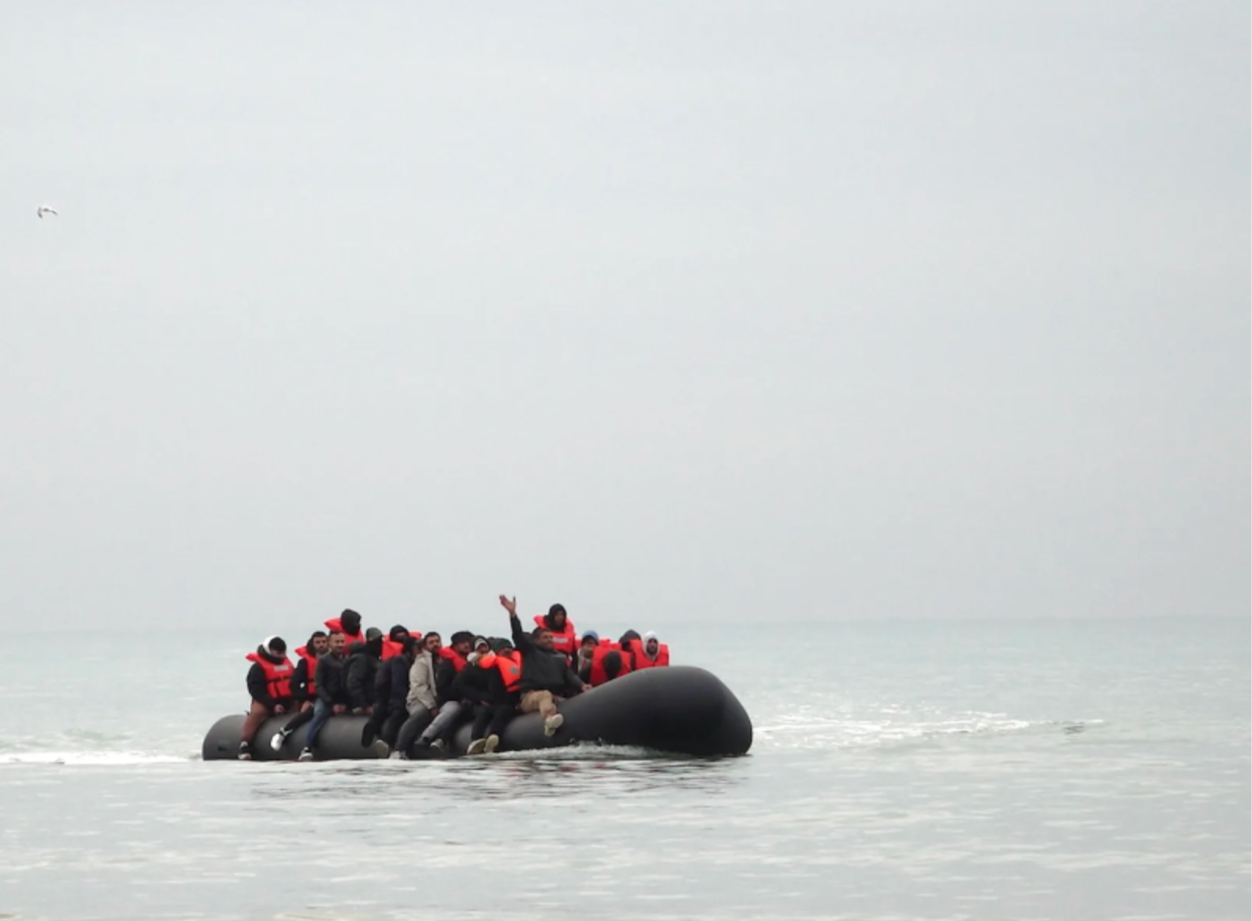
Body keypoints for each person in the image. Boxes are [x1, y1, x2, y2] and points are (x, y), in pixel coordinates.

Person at [501, 595, 589, 736]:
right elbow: (518, 635)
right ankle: (549, 721)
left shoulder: (559, 657)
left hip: (554, 696)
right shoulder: (530, 652)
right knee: (544, 695)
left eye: (550, 637)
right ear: (536, 640)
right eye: (545, 638)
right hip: (530, 697)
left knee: (568, 703)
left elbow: (569, 675)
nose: (549, 640)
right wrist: (512, 614)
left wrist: (582, 685)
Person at [414, 631, 476, 751]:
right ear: (455, 646)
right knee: (454, 710)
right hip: (449, 700)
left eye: (468, 642)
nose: (466, 645)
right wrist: (460, 698)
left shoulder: (473, 662)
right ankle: (426, 737)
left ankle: (442, 740)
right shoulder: (448, 664)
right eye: (462, 643)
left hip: (471, 699)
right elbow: (442, 688)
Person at [269, 630, 328, 751]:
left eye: (324, 642)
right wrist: (304, 698)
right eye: (318, 642)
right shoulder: (305, 663)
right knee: (309, 713)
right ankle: (284, 732)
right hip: (312, 697)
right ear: (312, 644)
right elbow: (294, 684)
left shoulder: (335, 659)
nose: (321, 645)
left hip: (331, 696)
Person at [239, 636, 295, 760]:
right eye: (278, 653)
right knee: (258, 712)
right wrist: (272, 705)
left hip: (288, 700)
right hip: (266, 701)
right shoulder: (258, 668)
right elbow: (256, 690)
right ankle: (245, 743)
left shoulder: (288, 665)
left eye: (283, 653)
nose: (281, 655)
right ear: (270, 651)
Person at [465, 638, 524, 755]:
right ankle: (480, 739)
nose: (507, 650)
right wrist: (480, 698)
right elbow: (494, 689)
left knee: (504, 710)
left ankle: (493, 736)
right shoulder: (485, 667)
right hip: (492, 701)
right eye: (503, 648)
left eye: (509, 648)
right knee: (490, 712)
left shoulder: (521, 664)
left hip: (515, 699)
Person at [298, 630, 350, 761]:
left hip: (344, 699)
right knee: (319, 715)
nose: (340, 645)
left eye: (342, 641)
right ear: (330, 643)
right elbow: (318, 685)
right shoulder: (324, 661)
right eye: (337, 642)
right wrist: (331, 704)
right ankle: (307, 747)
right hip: (327, 699)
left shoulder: (348, 660)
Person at [364, 633, 417, 756]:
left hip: (397, 696)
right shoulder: (400, 661)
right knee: (397, 713)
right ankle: (387, 741)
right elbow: (397, 683)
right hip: (394, 697)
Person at [345, 627, 385, 714]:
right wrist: (364, 705)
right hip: (364, 708)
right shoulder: (361, 659)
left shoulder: (374, 658)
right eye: (378, 641)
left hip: (375, 703)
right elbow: (353, 683)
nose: (380, 644)